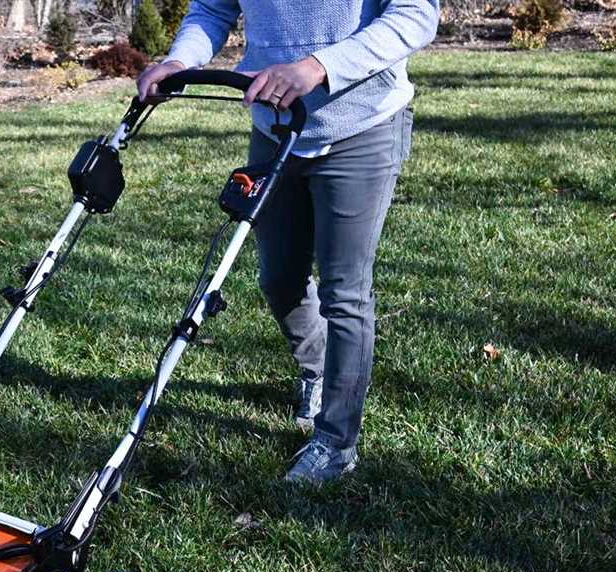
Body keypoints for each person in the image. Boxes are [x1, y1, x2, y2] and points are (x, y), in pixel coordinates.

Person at [137, 0, 439, 484]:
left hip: (360, 125)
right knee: (279, 278)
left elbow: (417, 15)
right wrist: (181, 59)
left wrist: (320, 66)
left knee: (345, 292)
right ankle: (317, 369)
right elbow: (212, 10)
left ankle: (336, 442)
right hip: (275, 129)